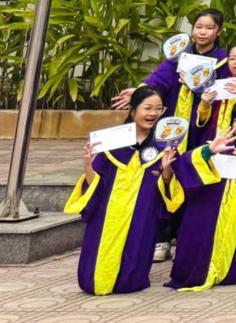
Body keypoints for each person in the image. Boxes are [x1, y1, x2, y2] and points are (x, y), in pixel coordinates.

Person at [66, 86, 174, 296]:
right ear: (132, 110)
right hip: (108, 212)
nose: (153, 113)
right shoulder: (112, 142)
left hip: (142, 212)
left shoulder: (163, 146)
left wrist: (167, 170)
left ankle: (129, 278)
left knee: (131, 271)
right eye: (147, 108)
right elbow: (96, 184)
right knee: (94, 279)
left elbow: (167, 187)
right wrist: (88, 165)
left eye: (158, 109)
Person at [163, 99, 236, 290]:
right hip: (207, 214)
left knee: (231, 274)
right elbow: (186, 163)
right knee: (194, 267)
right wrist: (208, 151)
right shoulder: (220, 147)